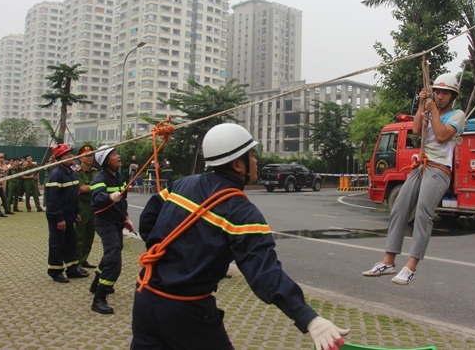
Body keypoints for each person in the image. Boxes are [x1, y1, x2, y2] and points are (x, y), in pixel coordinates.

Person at [131, 123, 349, 350]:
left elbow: (149, 219)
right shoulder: (242, 212)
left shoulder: (183, 183)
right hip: (187, 313)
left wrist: (169, 259)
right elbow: (265, 273)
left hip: (145, 297)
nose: (256, 162)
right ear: (237, 164)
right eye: (252, 155)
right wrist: (309, 318)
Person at [362, 73, 466, 285]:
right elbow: (417, 130)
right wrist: (421, 105)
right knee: (399, 208)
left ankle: (411, 267)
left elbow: (441, 136)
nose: (439, 96)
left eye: (445, 93)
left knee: (423, 213)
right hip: (421, 166)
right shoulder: (428, 110)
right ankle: (388, 261)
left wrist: (433, 112)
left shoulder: (458, 115)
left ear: (453, 95)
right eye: (437, 92)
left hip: (439, 169)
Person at [89, 145, 131, 315]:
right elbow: (98, 198)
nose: (118, 156)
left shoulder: (119, 176)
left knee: (113, 252)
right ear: (106, 161)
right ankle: (99, 298)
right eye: (114, 154)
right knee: (114, 258)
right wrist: (109, 197)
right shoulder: (100, 178)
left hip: (116, 221)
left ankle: (95, 283)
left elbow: (122, 201)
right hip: (104, 222)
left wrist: (126, 218)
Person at [45, 144, 90, 283]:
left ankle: (72, 268)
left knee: (71, 242)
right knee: (57, 243)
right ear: (59, 158)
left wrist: (76, 212)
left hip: (70, 215)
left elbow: (74, 195)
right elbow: (52, 200)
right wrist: (59, 218)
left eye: (71, 153)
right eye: (66, 155)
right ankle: (55, 271)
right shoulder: (56, 175)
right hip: (59, 216)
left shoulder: (71, 173)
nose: (71, 156)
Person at [75, 145, 98, 269]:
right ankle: (76, 261)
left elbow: (96, 186)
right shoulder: (77, 173)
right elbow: (82, 188)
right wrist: (95, 186)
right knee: (79, 235)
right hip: (82, 205)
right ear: (80, 158)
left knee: (90, 235)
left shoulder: (95, 171)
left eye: (91, 155)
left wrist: (90, 187)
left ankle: (84, 259)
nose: (90, 158)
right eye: (87, 156)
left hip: (93, 206)